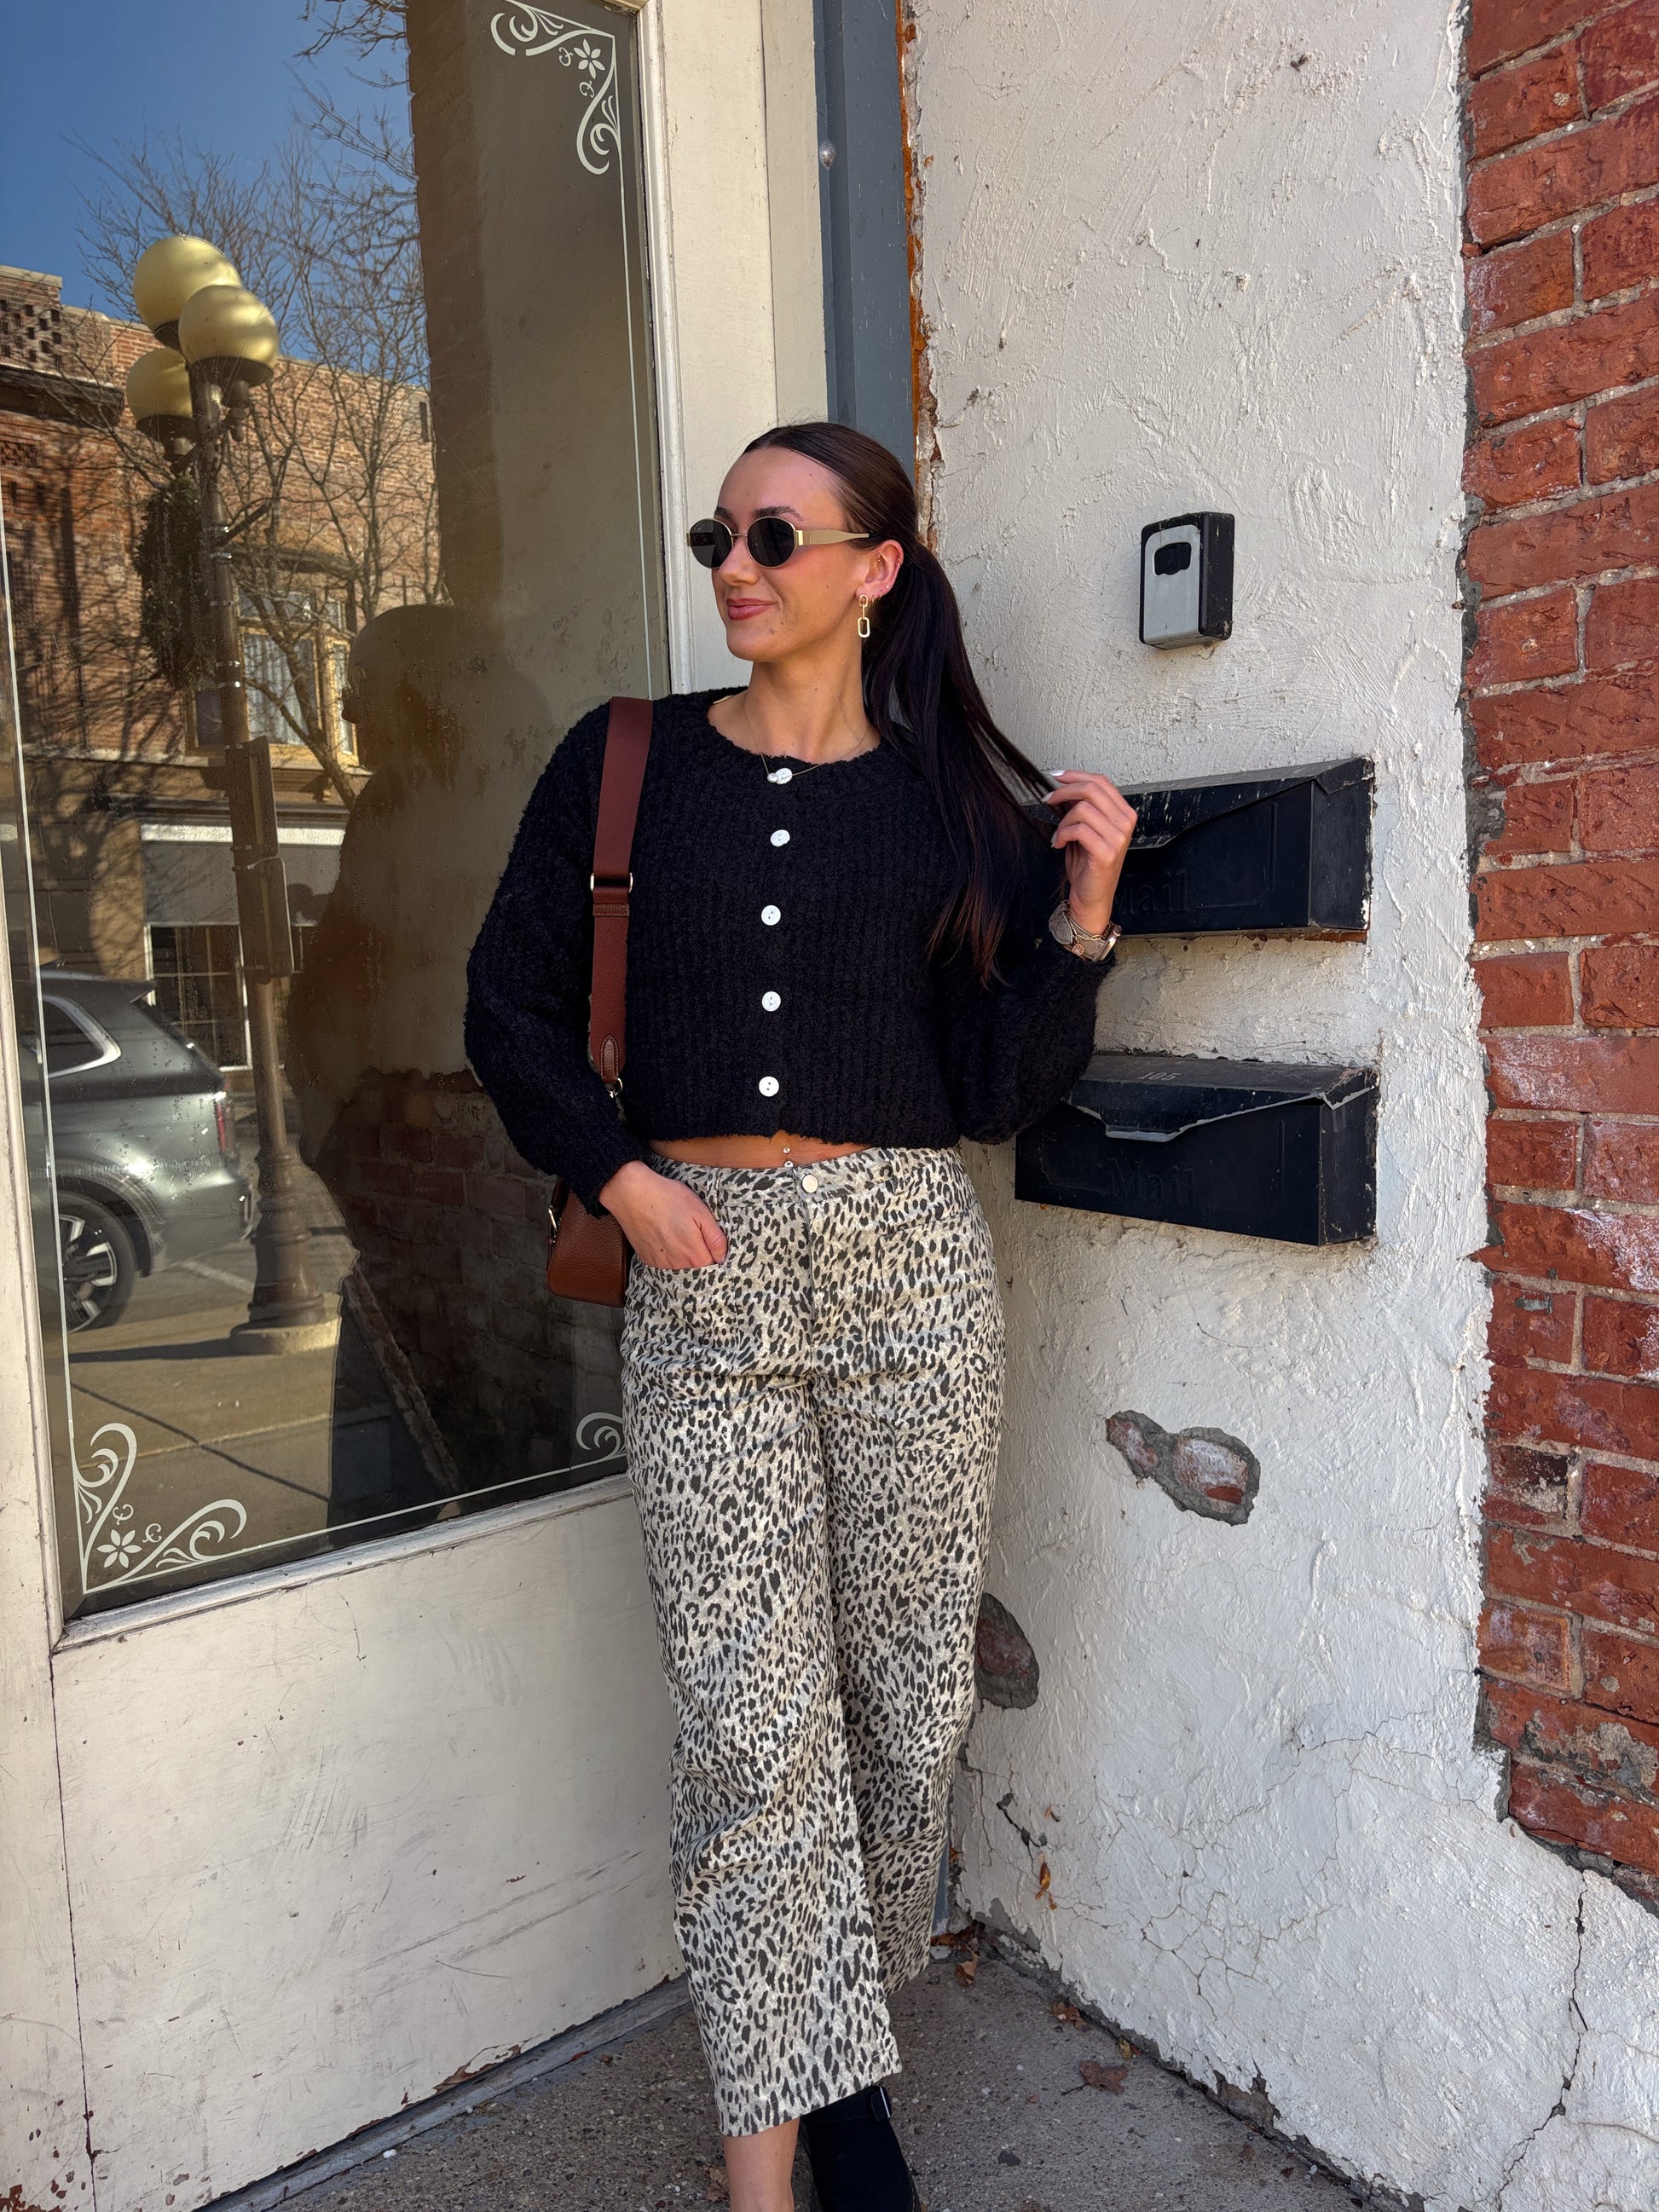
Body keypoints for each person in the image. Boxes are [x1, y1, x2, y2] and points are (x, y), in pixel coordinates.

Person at [465, 421, 1136, 2212]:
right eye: (720, 537)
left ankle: (835, 2063)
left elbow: (990, 1088)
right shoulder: (624, 764)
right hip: (702, 1273)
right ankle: (764, 2175)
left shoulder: (948, 810)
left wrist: (1080, 920)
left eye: (775, 534)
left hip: (910, 1265)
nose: (737, 567)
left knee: (907, 1705)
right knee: (749, 1727)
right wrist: (617, 1173)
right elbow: (508, 1003)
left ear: (874, 568)